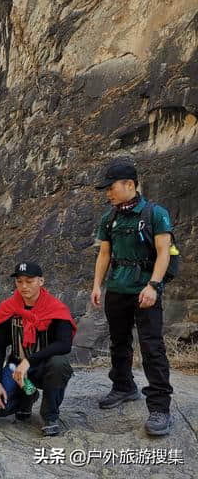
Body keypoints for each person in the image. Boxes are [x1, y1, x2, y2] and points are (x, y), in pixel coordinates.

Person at [91, 163, 174, 436]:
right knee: (118, 341)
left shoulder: (155, 214)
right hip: (117, 288)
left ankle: (160, 408)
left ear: (129, 184)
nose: (108, 194)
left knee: (151, 347)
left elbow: (163, 252)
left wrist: (153, 285)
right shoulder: (109, 218)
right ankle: (124, 387)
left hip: (146, 290)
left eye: (111, 188)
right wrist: (97, 286)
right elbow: (105, 254)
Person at [0, 262, 77, 436]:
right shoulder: (9, 308)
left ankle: (50, 415)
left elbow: (65, 344)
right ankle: (26, 397)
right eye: (19, 281)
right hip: (15, 368)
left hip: (43, 367)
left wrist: (30, 360)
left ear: (41, 281)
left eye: (29, 281)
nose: (24, 286)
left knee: (60, 364)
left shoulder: (55, 308)